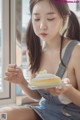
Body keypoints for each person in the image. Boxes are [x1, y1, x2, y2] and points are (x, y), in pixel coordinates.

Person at [0, 0, 80, 120]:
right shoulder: (33, 52)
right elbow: (37, 96)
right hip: (44, 111)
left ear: (63, 19)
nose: (42, 26)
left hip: (71, 115)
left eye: (50, 18)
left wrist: (68, 90)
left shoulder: (76, 51)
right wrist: (21, 81)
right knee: (3, 115)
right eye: (36, 19)